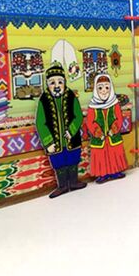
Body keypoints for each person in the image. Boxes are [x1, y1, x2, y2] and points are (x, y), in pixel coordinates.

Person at [35, 62, 87, 198]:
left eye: (60, 82)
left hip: (71, 139)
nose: (57, 86)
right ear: (47, 84)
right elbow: (40, 123)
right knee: (59, 163)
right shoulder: (44, 99)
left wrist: (71, 131)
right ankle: (62, 186)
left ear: (64, 82)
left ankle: (74, 182)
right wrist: (48, 142)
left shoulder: (71, 96)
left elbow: (78, 115)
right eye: (52, 83)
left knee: (73, 159)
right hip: (55, 143)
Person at [86, 73, 128, 183]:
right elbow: (90, 121)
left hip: (113, 136)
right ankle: (103, 174)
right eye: (100, 88)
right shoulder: (92, 106)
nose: (104, 91)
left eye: (107, 88)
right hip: (99, 139)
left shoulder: (114, 104)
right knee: (101, 156)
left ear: (111, 88)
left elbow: (119, 118)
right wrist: (97, 132)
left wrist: (114, 128)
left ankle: (115, 172)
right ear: (96, 89)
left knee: (115, 154)